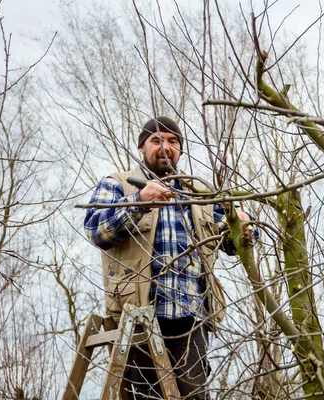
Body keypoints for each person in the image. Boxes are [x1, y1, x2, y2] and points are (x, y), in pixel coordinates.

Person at [84, 116, 254, 399]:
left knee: (194, 396)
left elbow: (233, 241)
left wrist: (245, 225)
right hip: (140, 318)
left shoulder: (199, 193)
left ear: (181, 150)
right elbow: (96, 230)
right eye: (157, 140)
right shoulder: (119, 184)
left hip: (192, 320)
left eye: (173, 141)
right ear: (141, 147)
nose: (165, 147)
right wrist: (139, 202)